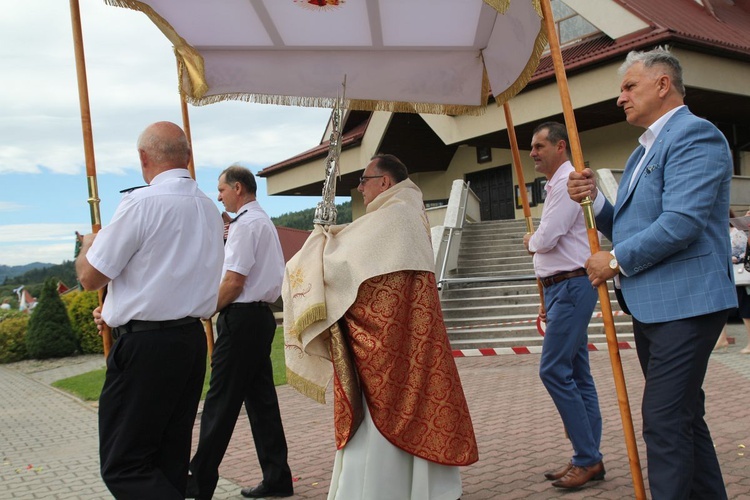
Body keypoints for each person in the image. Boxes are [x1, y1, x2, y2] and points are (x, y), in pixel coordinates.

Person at [568, 47, 736, 499]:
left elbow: (682, 222)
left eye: (628, 87)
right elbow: (629, 221)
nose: (620, 98)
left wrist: (616, 260)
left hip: (688, 301)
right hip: (655, 305)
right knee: (682, 418)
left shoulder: (695, 135)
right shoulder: (646, 148)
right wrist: (594, 200)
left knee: (663, 421)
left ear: (663, 84)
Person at [282, 154, 478, 500]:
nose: (360, 188)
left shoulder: (395, 216)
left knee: (382, 422)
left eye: (364, 180)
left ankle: (378, 489)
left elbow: (339, 264)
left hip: (386, 351)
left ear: (385, 182)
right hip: (410, 345)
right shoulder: (408, 212)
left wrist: (319, 239)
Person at [75, 121, 224, 499]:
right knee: (169, 460)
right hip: (190, 340)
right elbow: (162, 276)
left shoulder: (140, 203)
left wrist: (90, 244)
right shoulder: (209, 208)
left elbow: (91, 277)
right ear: (187, 158)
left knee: (124, 464)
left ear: (143, 158)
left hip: (146, 348)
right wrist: (115, 310)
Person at [187, 165, 293, 499]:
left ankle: (198, 483)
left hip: (242, 318)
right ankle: (277, 479)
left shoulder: (246, 225)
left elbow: (233, 283)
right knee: (261, 403)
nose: (218, 196)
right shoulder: (261, 221)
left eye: (220, 190)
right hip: (258, 319)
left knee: (220, 403)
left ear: (237, 187)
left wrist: (201, 310)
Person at [523, 122, 604, 489]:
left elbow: (548, 236)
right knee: (577, 374)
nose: (533, 153)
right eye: (531, 147)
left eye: (540, 146)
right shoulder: (557, 185)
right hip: (561, 288)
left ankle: (587, 458)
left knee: (554, 371)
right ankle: (587, 457)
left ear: (560, 147)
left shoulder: (569, 182)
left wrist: (530, 240)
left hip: (571, 285)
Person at [715, 209, 749, 351]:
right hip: (727, 272)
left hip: (741, 271)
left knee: (746, 308)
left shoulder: (735, 233)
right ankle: (721, 339)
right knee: (721, 305)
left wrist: (737, 258)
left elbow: (743, 251)